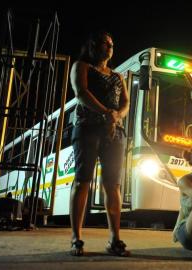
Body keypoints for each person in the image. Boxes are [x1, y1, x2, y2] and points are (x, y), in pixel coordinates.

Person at [69, 30, 130, 256]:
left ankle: (115, 239)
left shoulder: (118, 76)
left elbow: (126, 103)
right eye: (105, 43)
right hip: (87, 129)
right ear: (93, 45)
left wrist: (116, 116)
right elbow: (81, 93)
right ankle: (76, 238)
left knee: (113, 184)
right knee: (82, 181)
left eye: (112, 44)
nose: (110, 47)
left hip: (114, 133)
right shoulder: (81, 67)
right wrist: (106, 113)